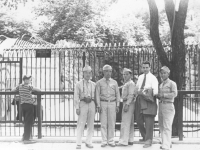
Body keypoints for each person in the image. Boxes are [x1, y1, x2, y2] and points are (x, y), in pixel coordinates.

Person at [135, 61, 158, 148]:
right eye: (143, 67)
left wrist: (147, 92)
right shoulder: (140, 77)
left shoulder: (153, 78)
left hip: (149, 100)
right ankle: (145, 136)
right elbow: (137, 87)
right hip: (140, 99)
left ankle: (148, 140)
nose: (145, 69)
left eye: (146, 67)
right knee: (138, 120)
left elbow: (155, 91)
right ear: (142, 68)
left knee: (149, 121)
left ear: (150, 68)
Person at [95, 64, 120, 147]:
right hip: (103, 103)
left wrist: (118, 105)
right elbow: (97, 95)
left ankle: (111, 140)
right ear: (103, 72)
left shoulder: (114, 82)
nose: (108, 73)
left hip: (112, 103)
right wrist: (98, 105)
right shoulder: (99, 82)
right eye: (106, 71)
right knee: (103, 123)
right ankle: (104, 141)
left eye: (110, 71)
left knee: (112, 123)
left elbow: (117, 94)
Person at [12, 75, 41, 144]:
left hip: (23, 105)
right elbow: (39, 90)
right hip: (29, 105)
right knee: (28, 122)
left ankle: (25, 136)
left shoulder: (19, 86)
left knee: (26, 121)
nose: (29, 80)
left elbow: (12, 90)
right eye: (28, 79)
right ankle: (26, 139)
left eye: (29, 79)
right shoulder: (29, 86)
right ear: (25, 80)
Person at [74, 66, 96, 149]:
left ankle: (88, 141)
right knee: (81, 123)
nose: (88, 74)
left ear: (91, 73)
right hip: (83, 103)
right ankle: (78, 143)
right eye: (86, 72)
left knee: (91, 124)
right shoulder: (78, 84)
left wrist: (96, 106)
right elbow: (76, 96)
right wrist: (77, 107)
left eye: (89, 72)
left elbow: (96, 96)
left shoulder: (94, 84)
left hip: (92, 103)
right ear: (83, 73)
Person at [157, 66, 177, 150]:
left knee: (167, 126)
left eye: (164, 73)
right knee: (161, 125)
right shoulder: (161, 84)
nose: (163, 75)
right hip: (161, 105)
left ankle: (166, 145)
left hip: (168, 105)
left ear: (168, 74)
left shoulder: (172, 83)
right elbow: (159, 95)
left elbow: (174, 94)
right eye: (161, 73)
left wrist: (164, 95)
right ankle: (167, 142)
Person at [116, 68, 136, 146]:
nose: (124, 76)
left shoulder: (130, 83)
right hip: (128, 102)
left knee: (125, 122)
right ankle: (130, 140)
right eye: (124, 74)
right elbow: (122, 88)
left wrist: (127, 104)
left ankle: (123, 141)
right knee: (130, 122)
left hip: (128, 103)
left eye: (126, 74)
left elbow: (131, 95)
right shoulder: (127, 83)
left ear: (130, 75)